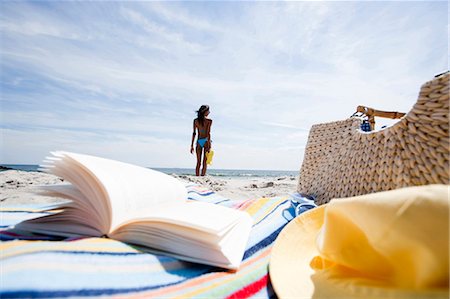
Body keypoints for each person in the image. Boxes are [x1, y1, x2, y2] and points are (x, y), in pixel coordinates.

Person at [190, 105, 212, 176]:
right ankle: (202, 176)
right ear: (205, 112)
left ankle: (197, 177)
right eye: (208, 111)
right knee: (204, 162)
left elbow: (194, 133)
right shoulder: (209, 121)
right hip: (206, 140)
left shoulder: (195, 121)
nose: (209, 112)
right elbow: (208, 133)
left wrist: (192, 145)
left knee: (198, 162)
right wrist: (209, 144)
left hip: (199, 141)